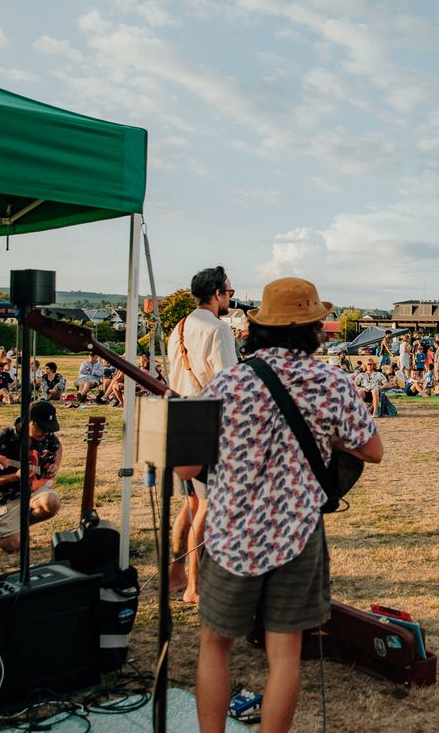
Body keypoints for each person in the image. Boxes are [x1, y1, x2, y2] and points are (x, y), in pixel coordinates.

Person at [175, 277, 383, 733]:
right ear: (312, 328)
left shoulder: (227, 384)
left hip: (230, 532)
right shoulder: (332, 382)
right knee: (284, 655)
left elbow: (187, 469)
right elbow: (373, 450)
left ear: (260, 327)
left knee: (214, 646)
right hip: (297, 534)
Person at [167, 265, 240, 604]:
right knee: (208, 505)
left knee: (189, 503)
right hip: (205, 421)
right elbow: (229, 381)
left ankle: (176, 572)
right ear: (216, 294)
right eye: (229, 292)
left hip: (178, 418)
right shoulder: (219, 329)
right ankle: (195, 587)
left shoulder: (178, 328)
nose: (230, 298)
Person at [0, 401, 63, 553]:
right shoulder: (1, 439)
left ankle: (17, 527)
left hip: (30, 491)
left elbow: (58, 447)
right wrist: (15, 476)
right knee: (14, 546)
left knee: (52, 502)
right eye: (41, 429)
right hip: (1, 496)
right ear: (28, 421)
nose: (46, 434)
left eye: (48, 430)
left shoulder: (44, 436)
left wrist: (55, 465)